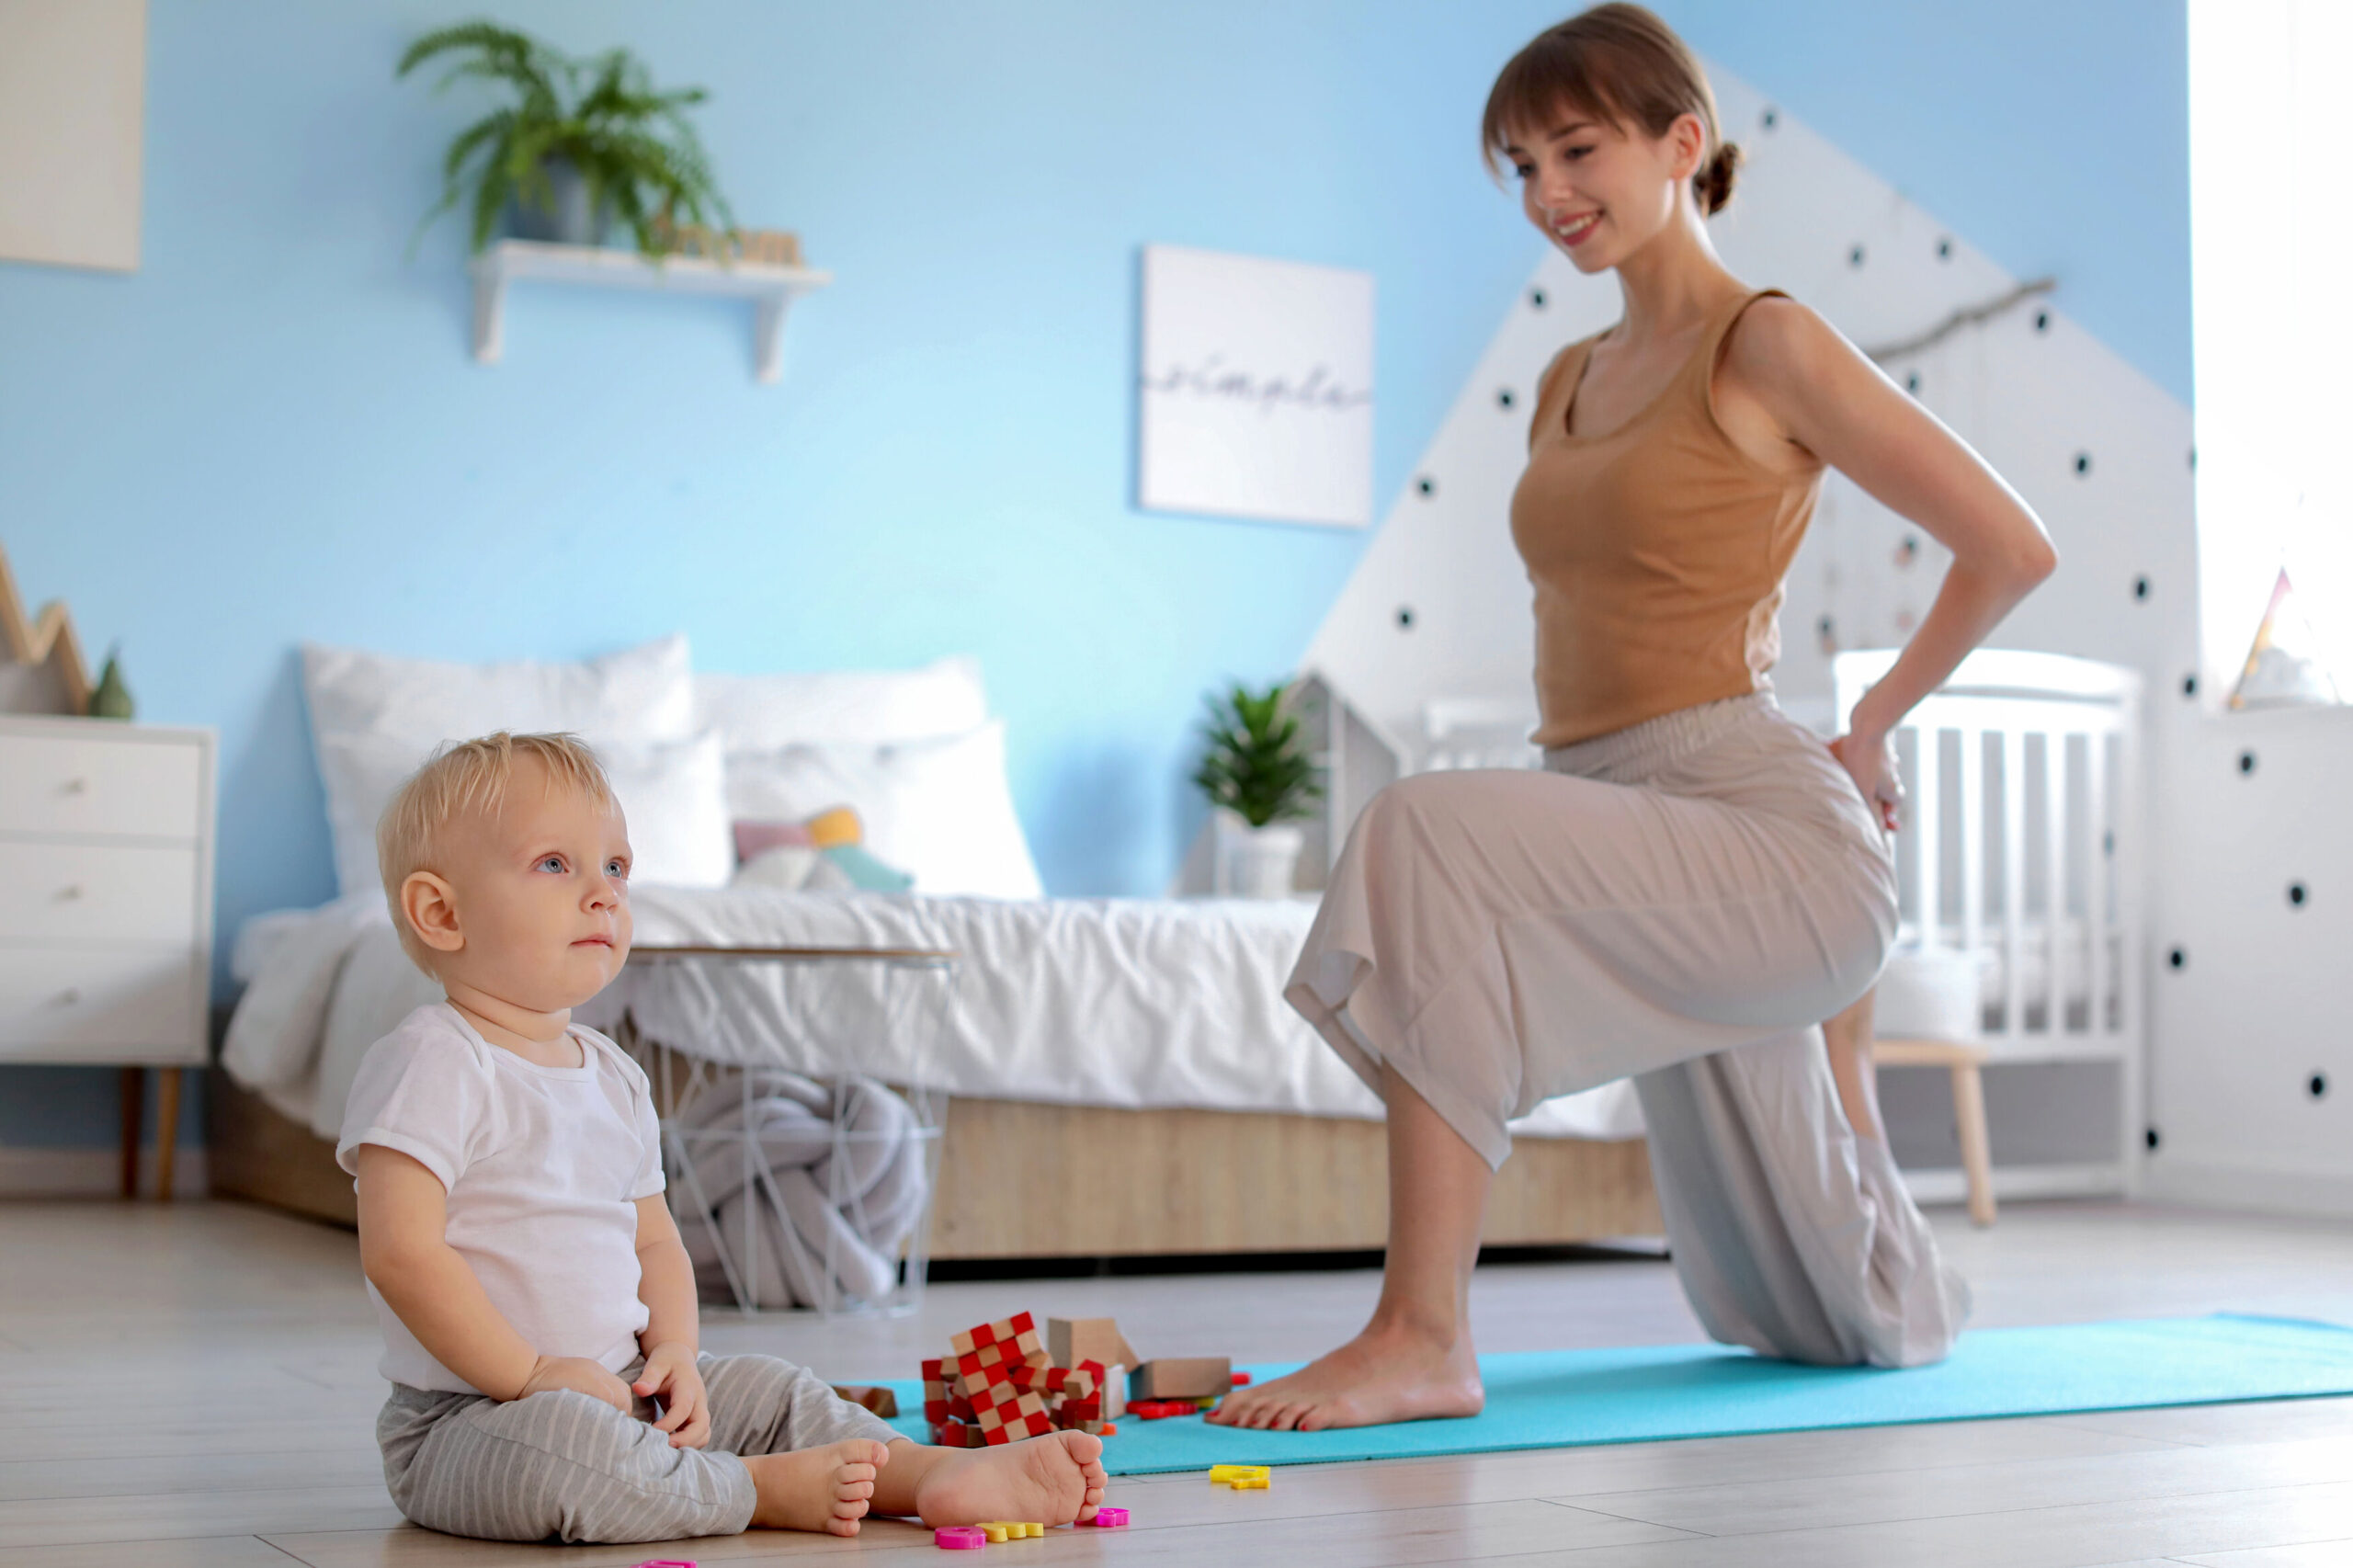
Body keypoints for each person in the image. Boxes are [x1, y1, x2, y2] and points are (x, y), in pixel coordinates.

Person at [1213, 2, 2054, 1434]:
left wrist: (1872, 725)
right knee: (1813, 1313)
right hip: (1619, 812)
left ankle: (1422, 1335)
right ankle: (1840, 1072)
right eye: (1523, 164)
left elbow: (2010, 544)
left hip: (1756, 819)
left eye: (1577, 147)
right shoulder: (1565, 379)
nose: (1548, 192)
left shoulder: (1767, 340)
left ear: (1685, 142)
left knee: (1423, 832)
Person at [339, 732, 1108, 1541]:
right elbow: (402, 1254)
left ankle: (927, 1473)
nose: (603, 893)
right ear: (442, 912)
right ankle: (751, 1489)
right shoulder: (434, 1059)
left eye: (616, 868)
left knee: (776, 1391)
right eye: (556, 865)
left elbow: (656, 1242)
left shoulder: (614, 1074)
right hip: (472, 1415)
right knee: (564, 1454)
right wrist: (529, 1375)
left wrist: (674, 1350)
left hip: (628, 1381)